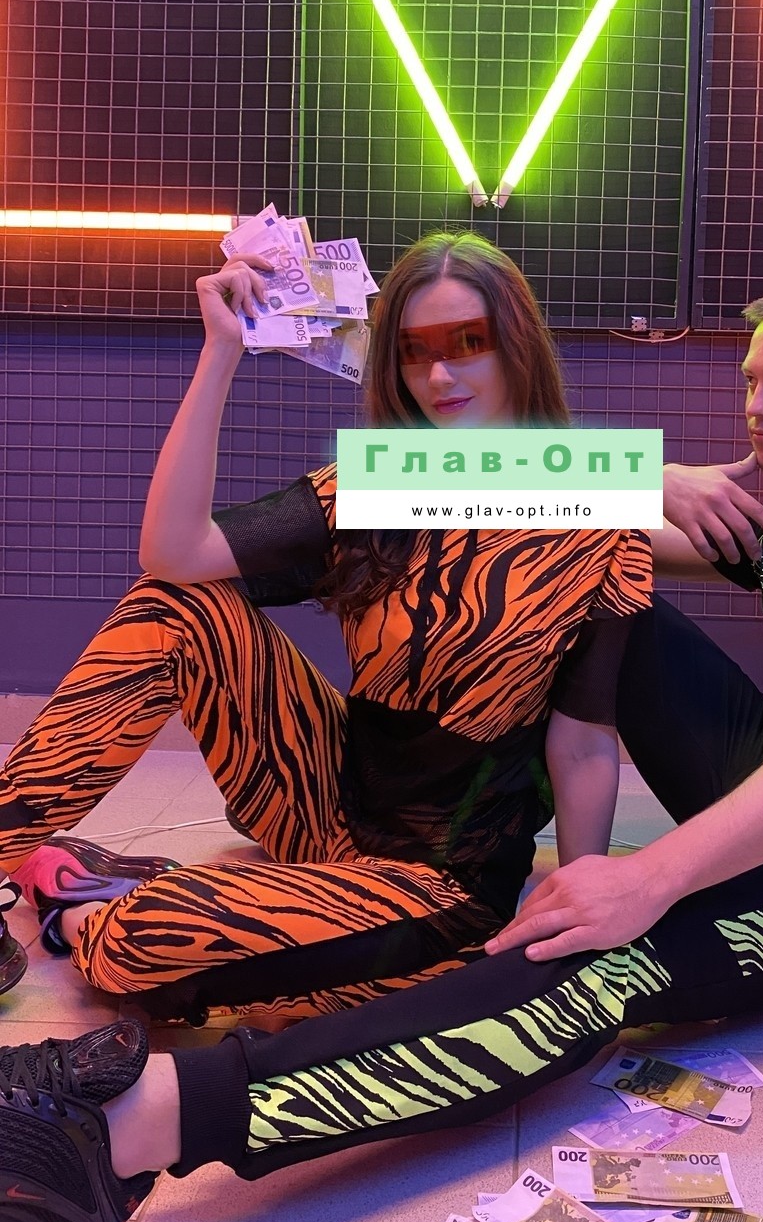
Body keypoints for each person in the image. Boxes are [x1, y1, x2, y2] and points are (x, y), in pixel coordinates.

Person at [3, 275, 763, 1222]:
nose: (754, 406)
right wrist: (628, 477)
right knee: (607, 573)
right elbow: (518, 498)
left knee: (595, 959)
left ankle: (138, 1119)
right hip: (757, 799)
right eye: (750, 380)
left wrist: (644, 876)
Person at [0, 230, 652, 1029]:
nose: (439, 376)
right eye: (413, 352)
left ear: (517, 346)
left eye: (468, 344)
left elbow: (582, 744)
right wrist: (221, 352)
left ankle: (87, 908)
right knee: (175, 605)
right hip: (322, 802)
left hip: (442, 880)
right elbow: (172, 554)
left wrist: (583, 902)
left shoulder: (599, 522)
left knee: (137, 946)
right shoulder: (379, 486)